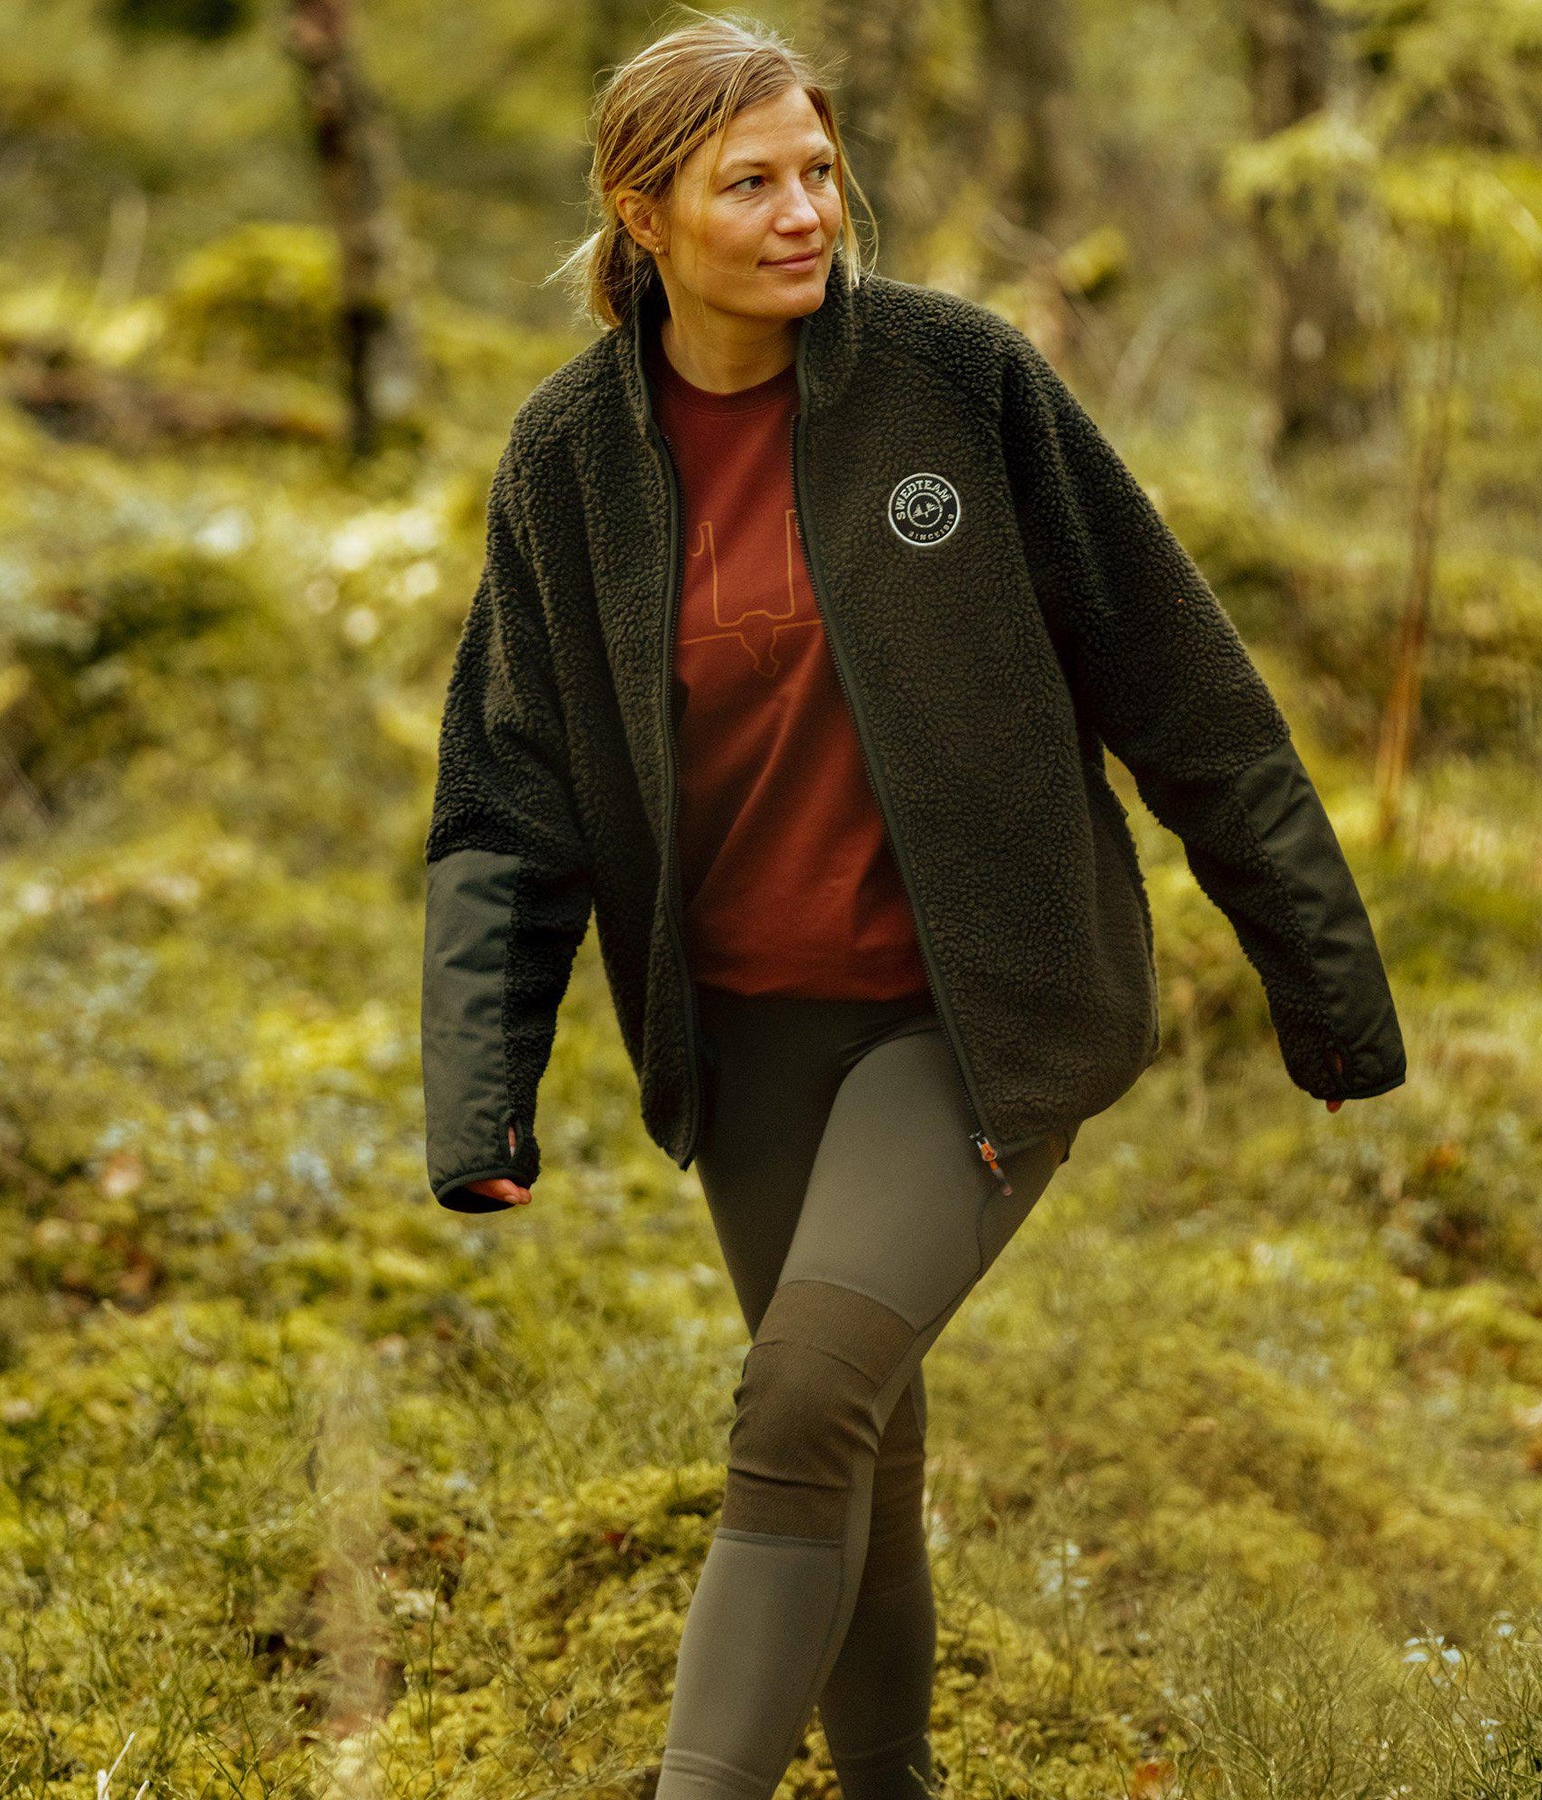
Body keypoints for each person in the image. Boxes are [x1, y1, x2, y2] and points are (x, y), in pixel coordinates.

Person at [418, 12, 1406, 1795]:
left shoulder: (958, 382)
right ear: (643, 216)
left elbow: (1184, 691)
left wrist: (1324, 989)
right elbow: (510, 790)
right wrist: (480, 1091)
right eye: (751, 184)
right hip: (747, 1042)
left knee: (799, 1402)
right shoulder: (569, 460)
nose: (806, 213)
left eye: (819, 171)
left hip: (978, 1017)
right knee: (852, 1445)